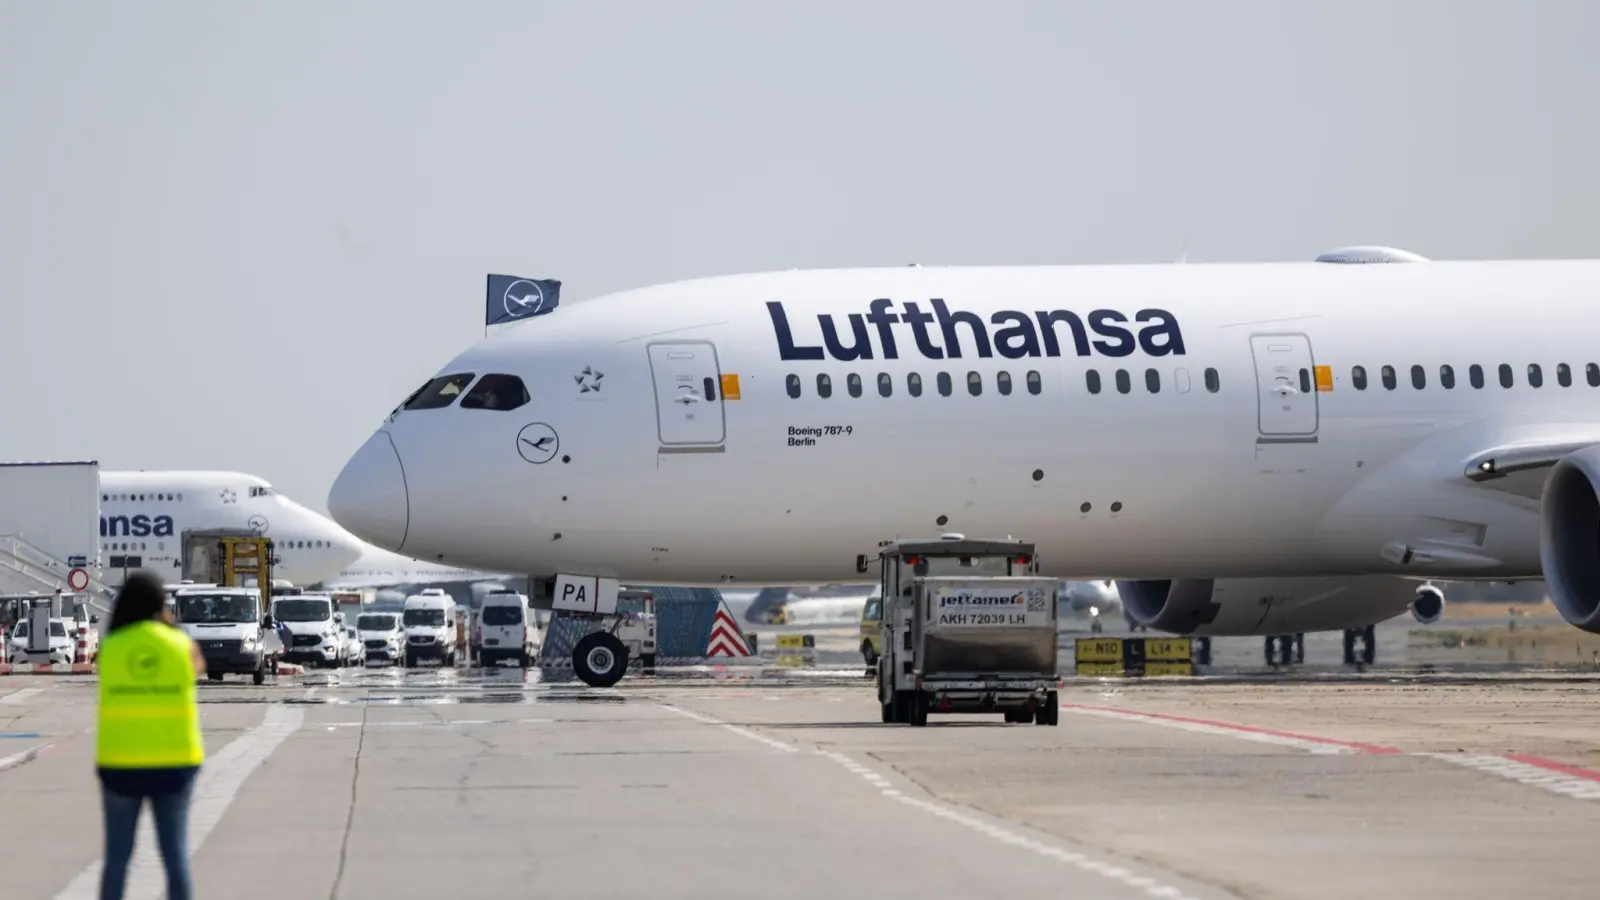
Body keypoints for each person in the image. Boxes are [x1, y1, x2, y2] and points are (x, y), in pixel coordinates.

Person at [96, 570, 206, 900]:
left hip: (120, 765)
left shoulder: (111, 648)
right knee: (174, 857)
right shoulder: (183, 646)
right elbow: (199, 668)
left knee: (117, 859)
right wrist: (169, 626)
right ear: (162, 606)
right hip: (174, 764)